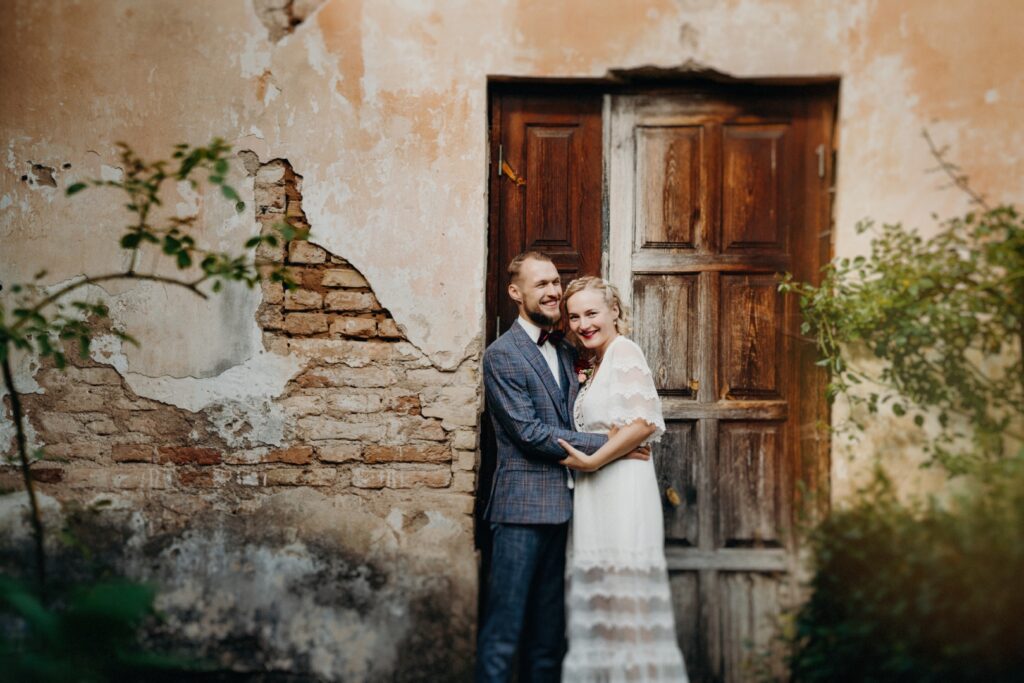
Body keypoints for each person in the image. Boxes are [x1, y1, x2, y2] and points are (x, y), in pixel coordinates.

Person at [476, 252, 648, 683]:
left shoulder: (569, 349)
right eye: (541, 284)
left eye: (556, 282)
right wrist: (615, 444)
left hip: (570, 512)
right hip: (521, 512)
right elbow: (529, 433)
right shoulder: (502, 355)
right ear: (516, 293)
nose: (553, 291)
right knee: (504, 632)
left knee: (549, 639)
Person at [557, 276, 689, 682]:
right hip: (596, 492)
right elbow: (613, 430)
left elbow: (642, 424)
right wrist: (602, 452)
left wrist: (593, 462)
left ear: (614, 311)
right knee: (605, 602)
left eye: (591, 313)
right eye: (574, 317)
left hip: (621, 490)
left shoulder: (624, 351)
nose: (583, 324)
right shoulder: (596, 363)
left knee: (627, 599)